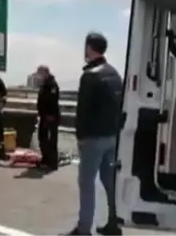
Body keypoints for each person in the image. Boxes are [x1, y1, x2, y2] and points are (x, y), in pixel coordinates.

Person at [61, 32, 123, 236]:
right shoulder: (114, 73)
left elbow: (83, 110)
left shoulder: (90, 75)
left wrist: (80, 138)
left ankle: (83, 229)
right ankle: (114, 223)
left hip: (93, 138)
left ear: (89, 48)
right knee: (109, 181)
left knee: (86, 183)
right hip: (112, 136)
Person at [35, 65, 60, 170]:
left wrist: (50, 115)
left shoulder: (52, 85)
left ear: (45, 72)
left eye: (39, 73)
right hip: (44, 115)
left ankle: (52, 162)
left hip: (50, 116)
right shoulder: (44, 85)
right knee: (42, 138)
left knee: (50, 140)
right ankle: (45, 159)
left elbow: (52, 101)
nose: (38, 75)